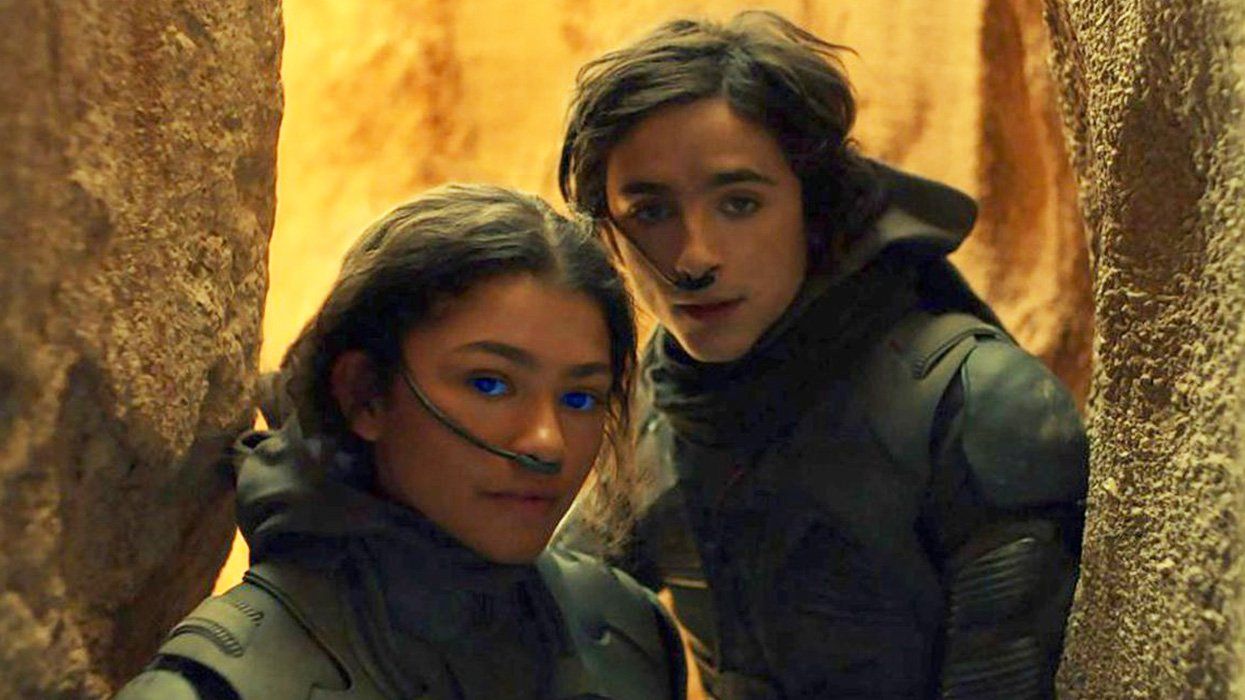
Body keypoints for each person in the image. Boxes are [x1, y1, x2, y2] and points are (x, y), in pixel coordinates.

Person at [557, 11, 1088, 699]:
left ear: (813, 209)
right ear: (608, 235)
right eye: (651, 213)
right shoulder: (656, 400)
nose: (694, 259)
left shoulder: (975, 407)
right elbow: (551, 612)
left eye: (739, 203)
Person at [114, 184, 687, 700]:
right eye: (489, 384)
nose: (547, 442)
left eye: (581, 398)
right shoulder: (220, 687)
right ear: (364, 395)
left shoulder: (628, 639)